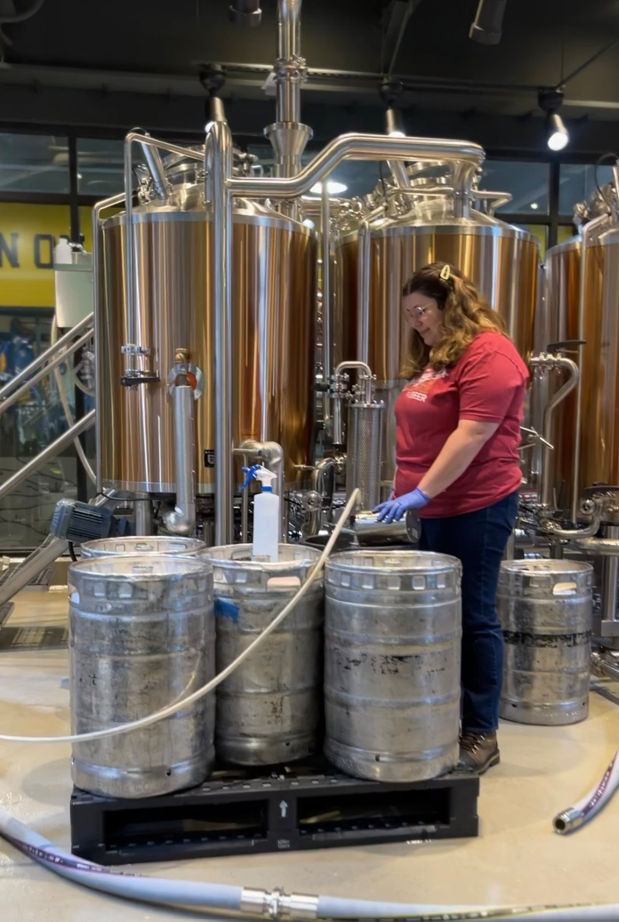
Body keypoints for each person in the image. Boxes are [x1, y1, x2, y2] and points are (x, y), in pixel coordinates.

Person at [375, 261, 528, 775]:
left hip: (476, 505)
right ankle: (445, 716)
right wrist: (410, 492)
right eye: (409, 315)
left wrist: (421, 491)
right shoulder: (438, 356)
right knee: (440, 620)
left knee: (474, 616)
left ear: (450, 305)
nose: (415, 321)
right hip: (435, 507)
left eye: (422, 311)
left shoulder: (490, 352)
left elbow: (472, 433)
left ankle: (481, 732)